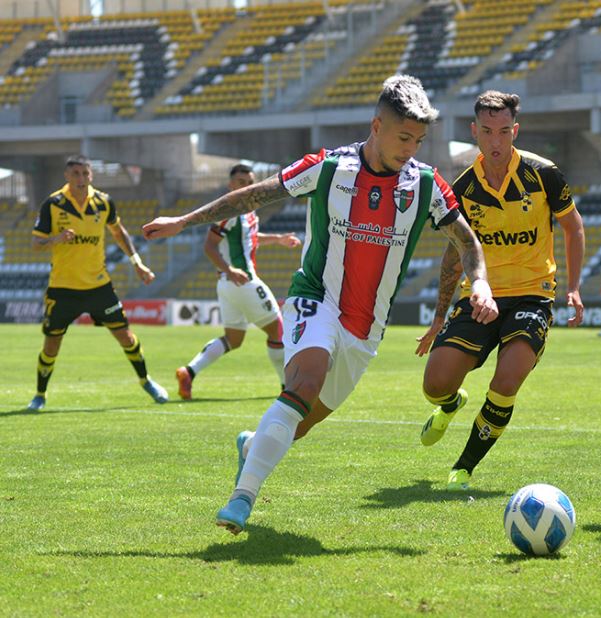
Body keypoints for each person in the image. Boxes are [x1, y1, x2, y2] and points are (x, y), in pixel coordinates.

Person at [143, 75, 499, 534]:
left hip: (367, 327)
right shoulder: (329, 168)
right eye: (403, 136)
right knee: (304, 381)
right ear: (376, 125)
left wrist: (482, 285)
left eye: (419, 139)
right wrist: (185, 221)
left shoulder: (426, 185)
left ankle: (252, 446)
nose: (411, 147)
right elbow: (254, 195)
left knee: (302, 424)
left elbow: (466, 243)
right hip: (316, 298)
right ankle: (241, 499)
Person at [415, 90, 585, 491]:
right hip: (479, 296)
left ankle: (464, 467)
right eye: (488, 131)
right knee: (434, 384)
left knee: (507, 380)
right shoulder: (463, 187)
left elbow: (573, 227)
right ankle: (451, 404)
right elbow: (455, 254)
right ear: (474, 131)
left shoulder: (543, 173)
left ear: (515, 130)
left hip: (533, 294)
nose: (496, 141)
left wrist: (574, 288)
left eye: (504, 131)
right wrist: (439, 316)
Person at [27, 155, 168, 411]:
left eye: (85, 174)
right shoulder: (53, 204)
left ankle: (146, 380)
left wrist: (137, 262)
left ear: (91, 175)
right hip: (63, 288)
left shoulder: (103, 202)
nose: (81, 179)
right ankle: (39, 395)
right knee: (51, 344)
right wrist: (55, 239)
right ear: (67, 177)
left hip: (98, 286)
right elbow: (36, 243)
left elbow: (119, 232)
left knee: (126, 336)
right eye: (76, 174)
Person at [175, 163, 301, 399]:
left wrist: (278, 239)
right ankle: (287, 387)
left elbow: (250, 239)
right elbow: (209, 246)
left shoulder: (248, 211)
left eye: (250, 183)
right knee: (278, 331)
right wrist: (231, 270)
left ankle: (189, 372)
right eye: (241, 183)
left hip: (227, 285)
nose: (247, 187)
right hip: (243, 281)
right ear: (231, 185)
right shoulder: (230, 210)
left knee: (233, 339)